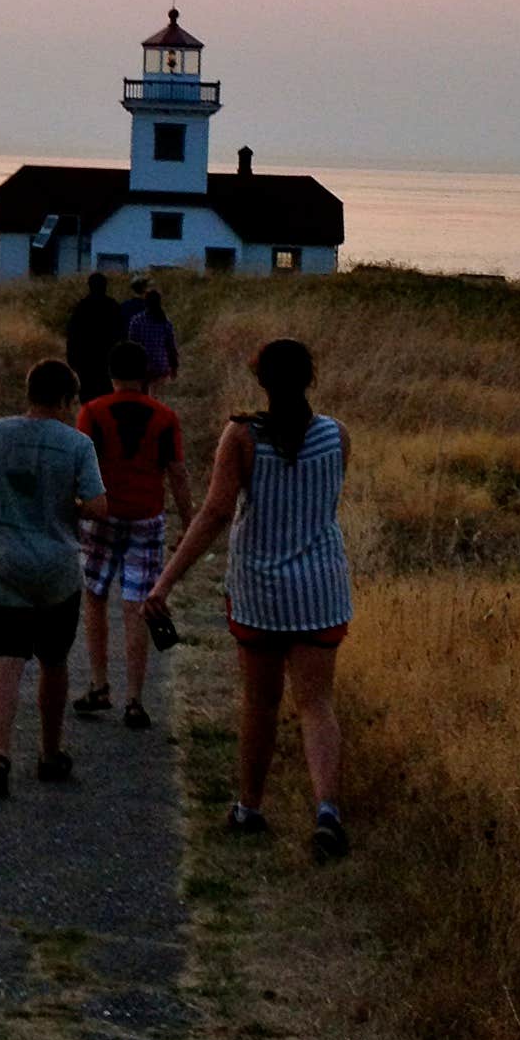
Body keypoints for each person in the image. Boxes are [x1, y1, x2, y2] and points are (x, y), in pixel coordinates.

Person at [149, 335, 353, 863]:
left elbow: (215, 513)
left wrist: (165, 582)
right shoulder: (337, 435)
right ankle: (327, 812)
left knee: (261, 703)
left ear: (261, 380)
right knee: (317, 704)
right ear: (310, 378)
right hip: (321, 590)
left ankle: (249, 807)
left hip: (261, 591)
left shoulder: (241, 436)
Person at [0, 359, 108, 798]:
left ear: (29, 392)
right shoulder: (76, 444)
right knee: (53, 661)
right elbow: (98, 507)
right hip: (58, 568)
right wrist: (71, 506)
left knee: (6, 659)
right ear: (67, 400)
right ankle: (50, 752)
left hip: (6, 565)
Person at [72, 341, 192, 730]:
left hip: (101, 515)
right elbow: (177, 473)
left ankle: (99, 684)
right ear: (145, 376)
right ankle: (135, 700)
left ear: (110, 374)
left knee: (95, 597)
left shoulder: (92, 412)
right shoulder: (165, 417)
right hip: (147, 517)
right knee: (137, 605)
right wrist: (188, 522)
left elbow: (79, 466)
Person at [63, 272, 126, 409]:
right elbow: (122, 335)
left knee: (87, 398)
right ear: (105, 286)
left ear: (89, 286)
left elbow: (72, 335)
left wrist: (71, 358)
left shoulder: (82, 306)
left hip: (86, 361)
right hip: (107, 360)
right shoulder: (113, 306)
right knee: (107, 398)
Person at [124, 281, 181, 384]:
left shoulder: (136, 320)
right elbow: (170, 346)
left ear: (145, 303)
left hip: (142, 366)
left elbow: (132, 345)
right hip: (161, 365)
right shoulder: (164, 321)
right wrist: (174, 366)